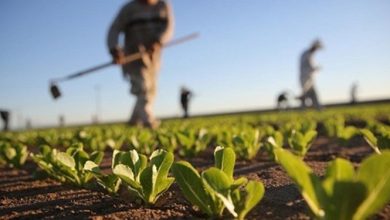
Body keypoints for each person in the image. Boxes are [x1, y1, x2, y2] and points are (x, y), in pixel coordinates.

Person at [107, 0, 174, 128]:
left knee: (151, 90)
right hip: (133, 56)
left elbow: (168, 27)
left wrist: (159, 41)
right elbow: (114, 29)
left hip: (153, 58)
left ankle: (133, 121)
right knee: (143, 88)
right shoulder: (129, 9)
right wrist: (114, 49)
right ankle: (148, 121)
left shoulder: (163, 6)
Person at [298, 39, 323, 110]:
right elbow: (307, 67)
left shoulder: (310, 54)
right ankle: (303, 110)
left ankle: (318, 108)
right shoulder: (306, 54)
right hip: (305, 78)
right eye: (316, 48)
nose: (316, 50)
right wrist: (315, 68)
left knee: (313, 94)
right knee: (305, 94)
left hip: (310, 78)